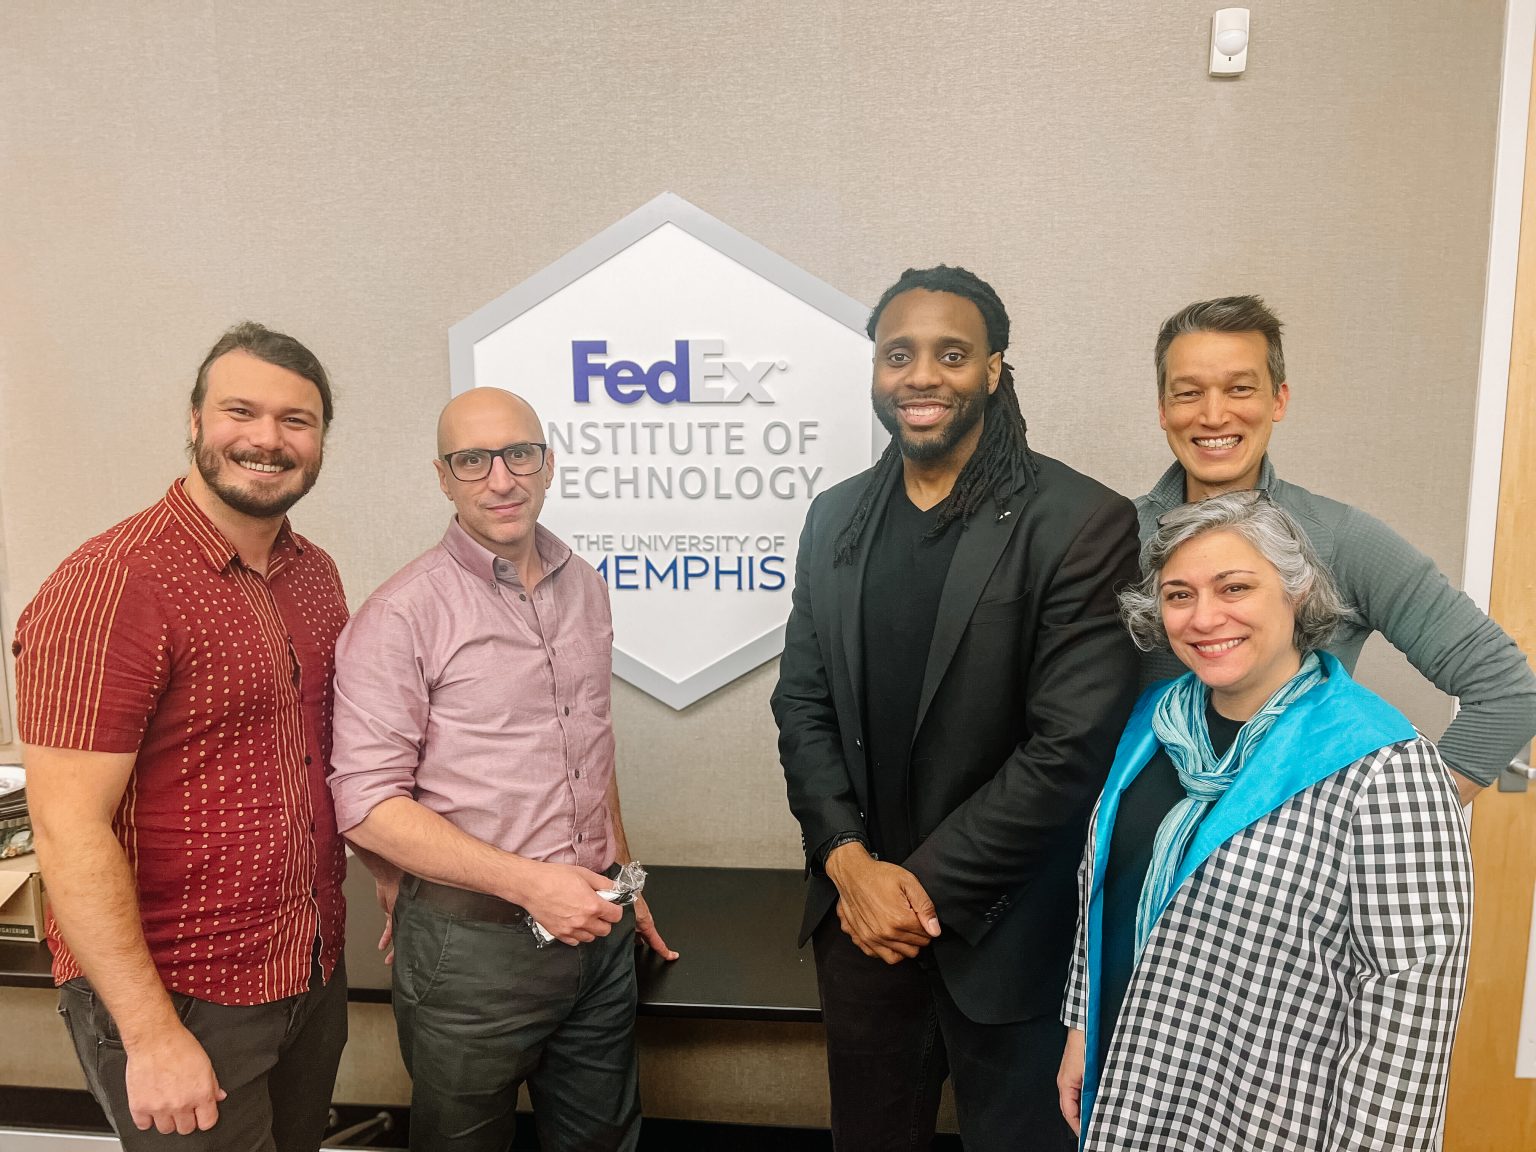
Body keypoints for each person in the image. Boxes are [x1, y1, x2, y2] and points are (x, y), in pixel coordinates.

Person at [772, 265, 1141, 1151]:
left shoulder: (1080, 520)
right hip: (861, 931)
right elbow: (802, 703)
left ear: (994, 369)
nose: (922, 375)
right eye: (899, 354)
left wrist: (918, 890)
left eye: (951, 353)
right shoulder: (836, 520)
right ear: (875, 369)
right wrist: (850, 866)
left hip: (1010, 936)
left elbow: (1070, 747)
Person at [14, 323, 349, 1146]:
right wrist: (151, 1034)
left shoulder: (314, 574)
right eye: (241, 411)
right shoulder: (110, 585)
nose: (267, 439)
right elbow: (67, 829)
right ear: (195, 422)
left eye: (295, 421)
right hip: (183, 992)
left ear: (320, 441)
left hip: (306, 968)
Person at [1057, 490, 1472, 1149]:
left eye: (1234, 587)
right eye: (1179, 594)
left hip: (1264, 1117)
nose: (1204, 617)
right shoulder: (1152, 724)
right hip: (1135, 1086)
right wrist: (1085, 1026)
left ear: (1297, 590)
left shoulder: (1384, 765)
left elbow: (1407, 1014)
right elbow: (1106, 890)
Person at [328, 386, 674, 1152]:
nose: (501, 478)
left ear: (547, 465)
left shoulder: (583, 583)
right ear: (442, 477)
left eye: (520, 454)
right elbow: (364, 801)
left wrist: (622, 872)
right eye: (472, 460)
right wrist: (530, 885)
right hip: (471, 957)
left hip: (598, 933)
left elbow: (587, 745)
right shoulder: (401, 614)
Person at [1139, 295, 1536, 803]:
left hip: (1286, 868)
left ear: (1278, 400)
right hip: (1130, 852)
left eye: (1240, 389)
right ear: (1163, 409)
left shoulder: (1339, 537)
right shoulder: (1108, 534)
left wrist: (1402, 818)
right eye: (1188, 393)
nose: (1214, 415)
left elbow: (1506, 691)